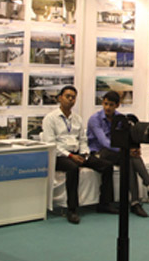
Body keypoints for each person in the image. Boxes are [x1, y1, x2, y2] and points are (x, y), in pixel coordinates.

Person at [87, 91, 149, 218]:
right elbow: (104, 142)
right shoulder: (95, 119)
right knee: (129, 156)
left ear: (117, 105)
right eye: (105, 104)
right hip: (99, 153)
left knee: (130, 161)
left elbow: (129, 135)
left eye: (111, 105)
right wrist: (126, 150)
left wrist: (135, 148)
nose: (107, 107)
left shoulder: (120, 118)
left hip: (115, 152)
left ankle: (136, 202)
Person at [41, 85, 114, 224]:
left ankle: (104, 203)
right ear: (60, 98)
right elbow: (51, 144)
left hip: (78, 153)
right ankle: (72, 209)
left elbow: (83, 140)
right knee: (73, 168)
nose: (70, 99)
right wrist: (70, 156)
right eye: (67, 96)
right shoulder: (50, 119)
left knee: (107, 166)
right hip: (59, 156)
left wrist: (85, 154)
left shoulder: (77, 119)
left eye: (73, 97)